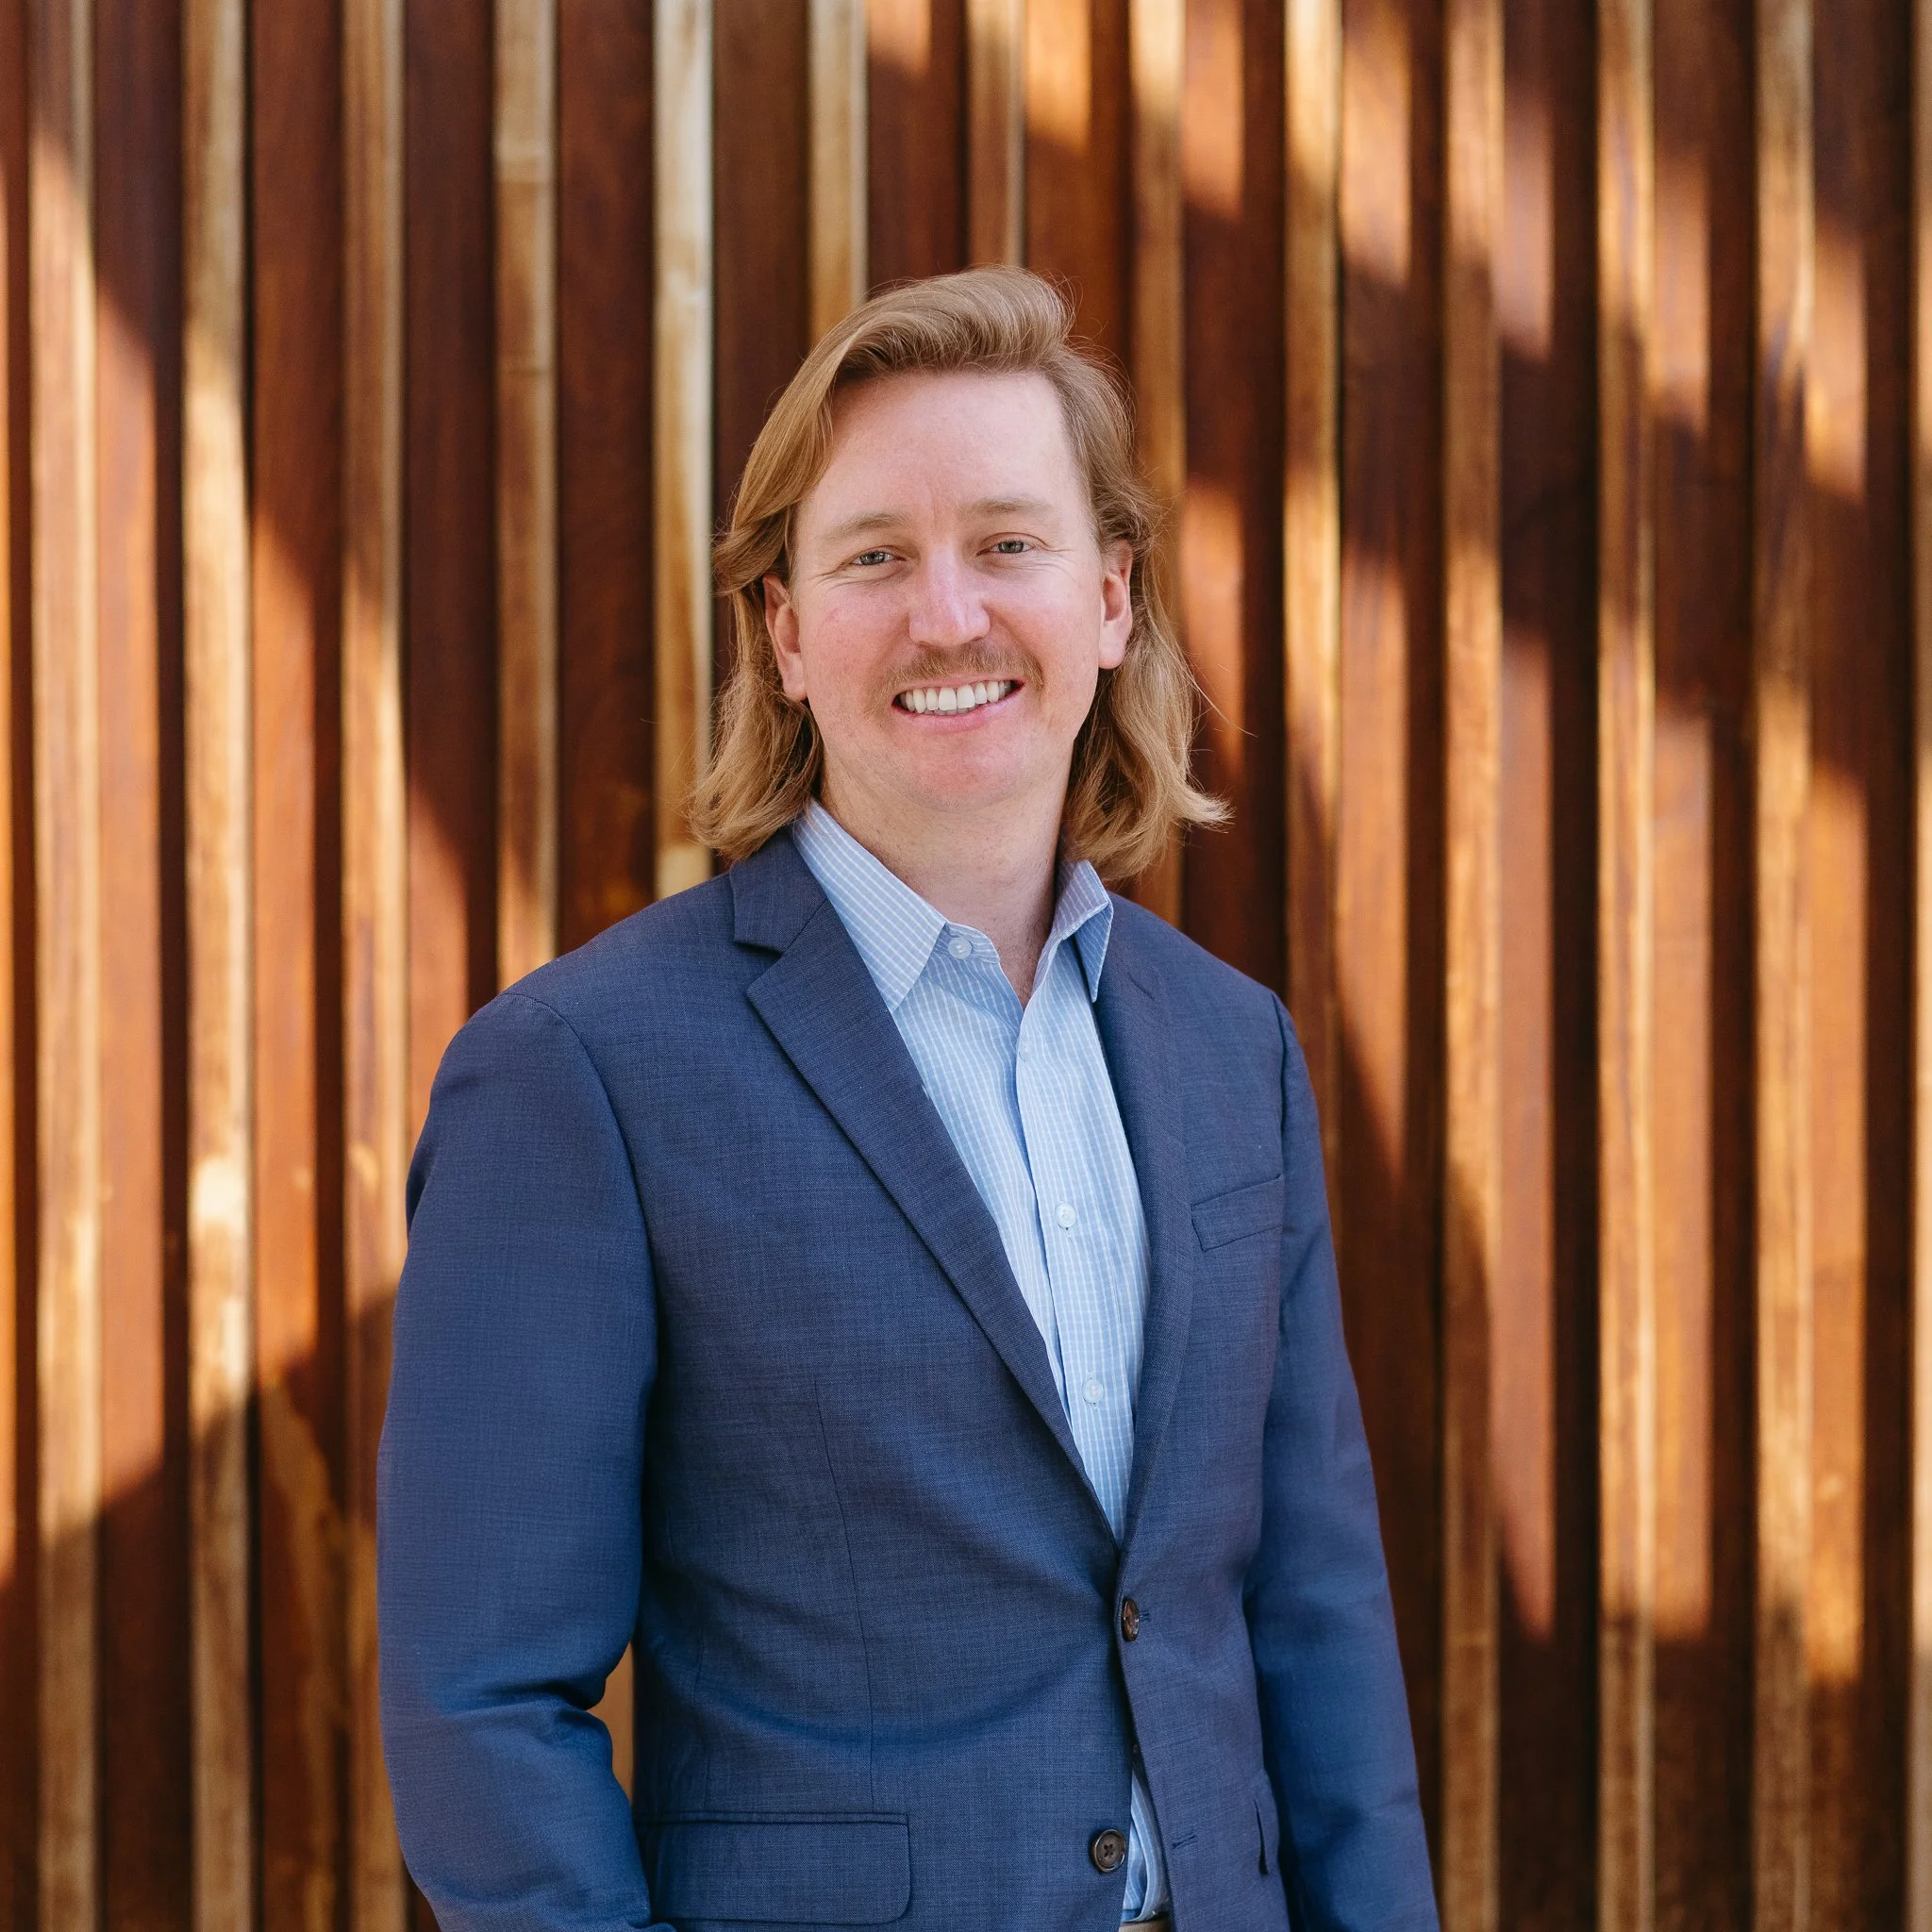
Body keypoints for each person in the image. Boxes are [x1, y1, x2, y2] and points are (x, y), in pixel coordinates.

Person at [378, 266, 1437, 1932]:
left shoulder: (1237, 1054)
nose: (948, 614)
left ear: (1109, 598)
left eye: (1008, 543)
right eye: (874, 556)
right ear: (788, 632)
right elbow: (482, 1706)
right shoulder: (578, 1074)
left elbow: (1316, 1622)